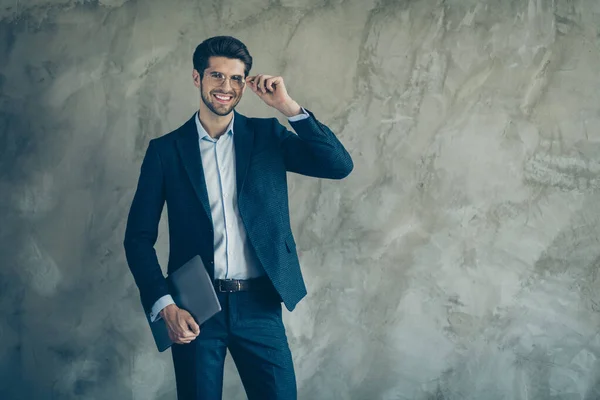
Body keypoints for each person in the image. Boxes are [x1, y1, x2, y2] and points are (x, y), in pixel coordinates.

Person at [123, 35, 353, 400]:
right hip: (195, 306)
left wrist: (289, 108)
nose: (225, 88)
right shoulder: (165, 151)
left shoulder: (267, 136)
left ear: (245, 82)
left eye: (235, 79)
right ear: (197, 78)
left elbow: (339, 166)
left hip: (260, 303)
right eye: (216, 76)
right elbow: (137, 238)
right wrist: (164, 306)